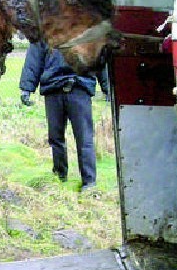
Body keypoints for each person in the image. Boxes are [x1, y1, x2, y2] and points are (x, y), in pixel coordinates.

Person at [19, 42, 109, 191]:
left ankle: (89, 182)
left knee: (84, 138)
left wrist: (108, 87)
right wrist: (26, 88)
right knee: (55, 137)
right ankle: (60, 176)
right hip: (53, 89)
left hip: (80, 87)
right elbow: (34, 57)